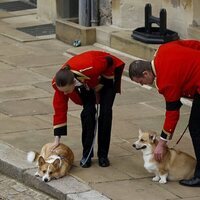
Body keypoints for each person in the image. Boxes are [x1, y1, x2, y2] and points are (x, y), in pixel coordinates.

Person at [129, 39, 200, 187]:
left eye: (141, 81)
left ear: (146, 73)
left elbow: (172, 114)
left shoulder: (165, 81)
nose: (143, 84)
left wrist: (161, 144)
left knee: (196, 128)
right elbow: (193, 44)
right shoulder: (163, 49)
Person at [51, 50, 125, 168]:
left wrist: (102, 82)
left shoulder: (91, 66)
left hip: (106, 75)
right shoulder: (59, 84)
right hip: (87, 84)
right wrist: (57, 139)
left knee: (105, 113)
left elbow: (110, 62)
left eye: (66, 90)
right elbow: (60, 109)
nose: (65, 94)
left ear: (72, 83)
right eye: (62, 91)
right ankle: (87, 155)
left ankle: (103, 155)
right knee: (88, 114)